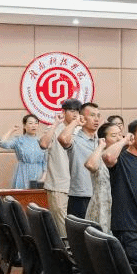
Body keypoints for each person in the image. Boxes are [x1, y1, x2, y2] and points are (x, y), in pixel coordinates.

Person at [102, 119, 137, 274]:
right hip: (126, 226)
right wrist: (124, 140)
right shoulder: (121, 158)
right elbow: (108, 157)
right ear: (132, 135)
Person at [41, 98, 81, 234]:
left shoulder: (81, 131)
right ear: (63, 112)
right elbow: (43, 144)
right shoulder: (54, 128)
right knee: (62, 229)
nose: (75, 114)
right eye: (72, 111)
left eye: (78, 111)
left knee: (77, 227)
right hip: (58, 186)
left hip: (79, 188)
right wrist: (55, 124)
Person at [59, 101, 101, 218]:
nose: (96, 119)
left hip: (99, 196)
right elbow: (62, 139)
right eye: (92, 115)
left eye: (98, 116)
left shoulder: (101, 142)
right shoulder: (75, 139)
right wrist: (76, 122)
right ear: (82, 117)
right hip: (80, 197)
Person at [84, 122, 122, 232]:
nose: (118, 138)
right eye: (114, 135)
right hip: (101, 207)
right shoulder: (99, 156)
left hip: (119, 210)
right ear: (103, 139)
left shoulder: (124, 156)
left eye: (120, 134)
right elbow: (90, 165)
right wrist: (101, 146)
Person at [0, 114, 46, 189]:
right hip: (23, 173)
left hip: (38, 174)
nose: (34, 125)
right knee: (22, 194)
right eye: (30, 123)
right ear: (24, 126)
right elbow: (2, 143)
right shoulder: (19, 140)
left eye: (36, 123)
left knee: (36, 195)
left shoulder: (42, 141)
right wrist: (11, 130)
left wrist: (43, 178)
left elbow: (45, 162)